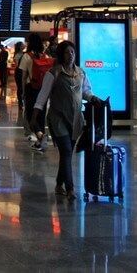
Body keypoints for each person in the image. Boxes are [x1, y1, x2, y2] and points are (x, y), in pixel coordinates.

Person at [33, 40, 104, 200]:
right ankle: (70, 188)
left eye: (72, 52)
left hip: (76, 119)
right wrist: (34, 116)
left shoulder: (81, 73)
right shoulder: (54, 73)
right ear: (61, 55)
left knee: (67, 153)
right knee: (65, 150)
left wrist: (93, 98)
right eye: (66, 52)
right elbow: (43, 96)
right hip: (58, 118)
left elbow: (85, 92)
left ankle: (59, 184)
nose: (70, 55)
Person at [22, 34, 53, 147]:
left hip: (31, 88)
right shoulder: (45, 56)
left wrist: (22, 91)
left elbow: (24, 76)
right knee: (41, 113)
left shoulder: (27, 56)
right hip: (43, 88)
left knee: (31, 114)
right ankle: (41, 139)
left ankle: (40, 135)